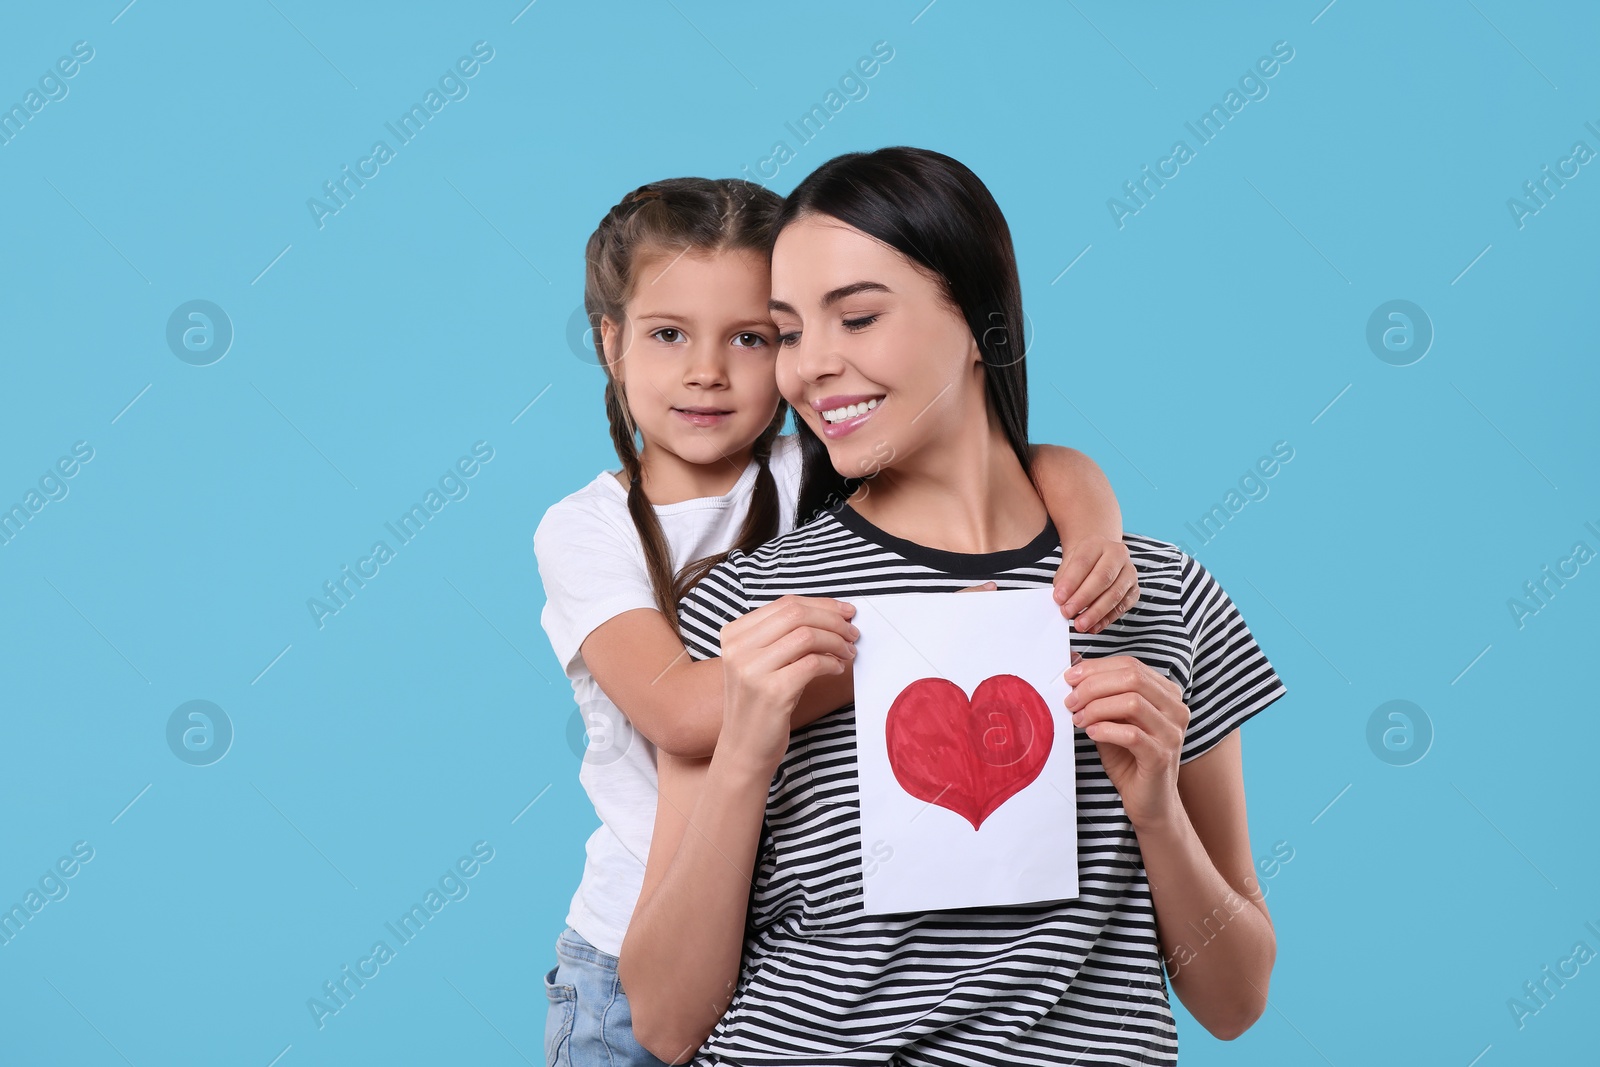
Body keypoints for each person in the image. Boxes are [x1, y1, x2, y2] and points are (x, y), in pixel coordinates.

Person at [618, 148, 1289, 1066]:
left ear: (979, 322)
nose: (813, 367)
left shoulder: (1156, 591)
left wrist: (1157, 810)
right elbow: (663, 1021)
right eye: (785, 332)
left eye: (856, 316)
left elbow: (1235, 998)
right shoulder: (750, 603)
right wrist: (744, 748)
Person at [534, 175, 1141, 1067]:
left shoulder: (813, 460)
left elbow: (1030, 459)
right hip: (631, 957)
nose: (707, 370)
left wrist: (1094, 530)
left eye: (753, 338)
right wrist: (931, 640)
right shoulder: (586, 529)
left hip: (787, 939)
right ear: (610, 342)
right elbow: (684, 713)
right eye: (669, 335)